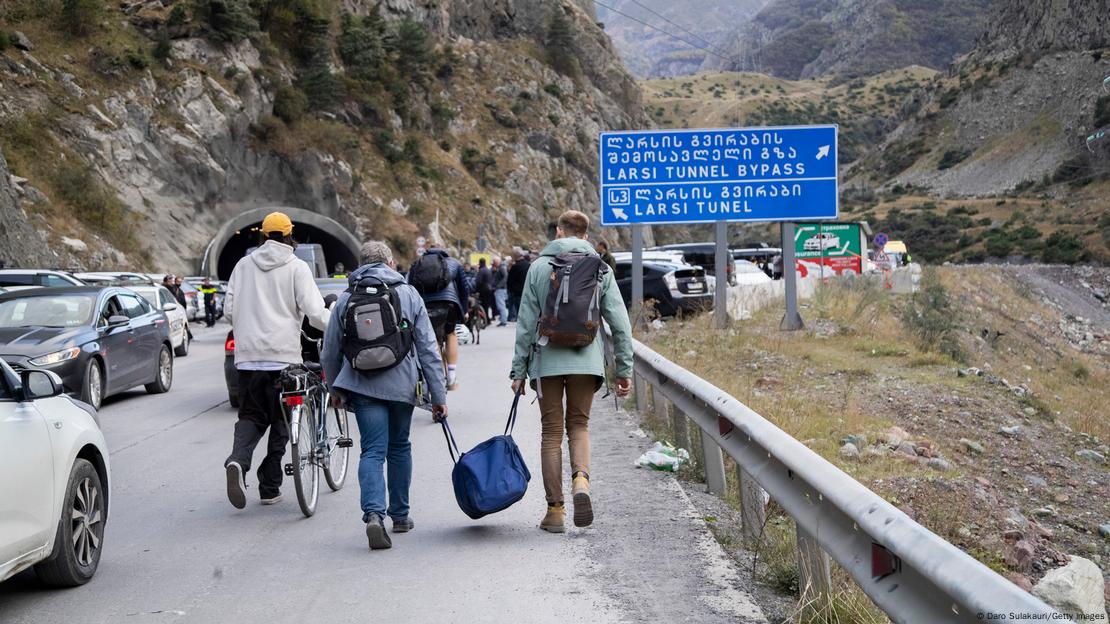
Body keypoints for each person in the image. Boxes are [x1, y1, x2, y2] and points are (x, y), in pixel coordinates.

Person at [510, 210, 633, 534]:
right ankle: (581, 480)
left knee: (551, 433)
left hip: (546, 358)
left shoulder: (538, 267)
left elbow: (525, 324)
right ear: (586, 235)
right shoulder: (600, 268)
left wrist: (518, 371)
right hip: (586, 358)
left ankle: (555, 512)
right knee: (578, 425)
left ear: (558, 230)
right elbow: (619, 323)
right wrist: (624, 369)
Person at [321, 241, 447, 550]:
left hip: (362, 384)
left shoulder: (347, 298)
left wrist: (335, 388)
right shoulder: (407, 293)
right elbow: (429, 348)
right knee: (399, 446)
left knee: (372, 451)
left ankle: (374, 515)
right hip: (402, 384)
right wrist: (438, 395)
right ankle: (401, 516)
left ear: (361, 264)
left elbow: (330, 350)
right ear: (390, 262)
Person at [223, 211, 330, 509]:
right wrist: (338, 325)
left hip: (247, 361)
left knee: (251, 418)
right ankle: (269, 488)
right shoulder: (297, 267)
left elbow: (228, 312)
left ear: (263, 235)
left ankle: (237, 461)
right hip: (284, 359)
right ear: (289, 234)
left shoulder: (243, 266)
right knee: (284, 424)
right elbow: (314, 312)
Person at [409, 246, 468, 391]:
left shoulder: (417, 264)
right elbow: (464, 288)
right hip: (448, 304)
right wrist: (464, 310)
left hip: (424, 305)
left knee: (430, 339)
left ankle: (434, 376)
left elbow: (409, 287)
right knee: (450, 334)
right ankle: (452, 375)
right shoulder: (454, 262)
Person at [506, 247, 530, 323]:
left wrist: (510, 290)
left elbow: (510, 281)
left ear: (515, 256)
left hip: (517, 293)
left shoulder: (515, 266)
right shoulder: (528, 265)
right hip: (527, 291)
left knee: (519, 311)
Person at [491, 256, 509, 327]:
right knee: (501, 305)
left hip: (501, 289)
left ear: (497, 262)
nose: (493, 264)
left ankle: (503, 321)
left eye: (494, 262)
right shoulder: (501, 268)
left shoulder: (502, 268)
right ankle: (503, 320)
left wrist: (498, 286)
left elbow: (505, 277)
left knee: (501, 306)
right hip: (501, 289)